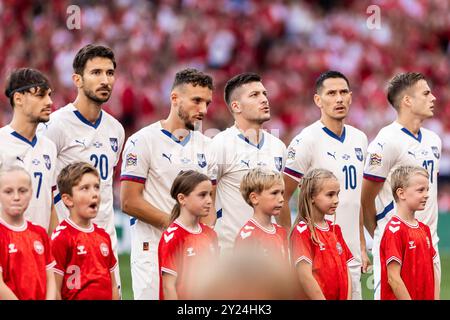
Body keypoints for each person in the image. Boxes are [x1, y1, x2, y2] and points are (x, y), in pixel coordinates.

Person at [120, 68, 216, 300]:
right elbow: (129, 201)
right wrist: (177, 228)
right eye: (196, 101)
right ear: (174, 98)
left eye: (207, 102)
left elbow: (210, 203)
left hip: (194, 249)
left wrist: (203, 237)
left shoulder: (208, 146)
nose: (203, 109)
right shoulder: (142, 141)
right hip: (152, 246)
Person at [40, 44, 125, 292]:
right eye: (96, 73)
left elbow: (106, 186)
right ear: (77, 79)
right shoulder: (56, 125)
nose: (105, 80)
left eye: (109, 73)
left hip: (105, 241)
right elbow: (44, 183)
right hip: (68, 242)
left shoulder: (116, 129)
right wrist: (56, 229)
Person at [280, 70, 368, 299]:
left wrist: (360, 242)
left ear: (350, 96)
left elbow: (354, 198)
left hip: (351, 253)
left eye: (343, 92)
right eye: (331, 93)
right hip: (319, 253)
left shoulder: (360, 138)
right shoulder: (305, 140)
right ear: (318, 100)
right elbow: (281, 197)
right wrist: (289, 244)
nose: (338, 99)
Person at [361, 72, 441, 299]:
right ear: (407, 100)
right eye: (426, 93)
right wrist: (379, 233)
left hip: (429, 241)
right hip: (397, 244)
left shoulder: (434, 140)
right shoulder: (386, 141)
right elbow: (366, 198)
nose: (433, 98)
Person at [209, 72, 286, 254]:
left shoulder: (278, 146)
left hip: (271, 255)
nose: (264, 99)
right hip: (232, 253)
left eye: (264, 94)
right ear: (236, 106)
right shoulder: (220, 144)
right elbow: (206, 201)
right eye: (254, 95)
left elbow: (281, 202)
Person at [0, 68, 58, 234]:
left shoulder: (49, 147)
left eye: (49, 95)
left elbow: (50, 205)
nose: (49, 102)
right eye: (40, 95)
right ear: (18, 98)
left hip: (39, 251)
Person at [51, 162, 119, 300]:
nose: (94, 194)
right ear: (68, 199)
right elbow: (54, 290)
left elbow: (113, 286)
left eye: (96, 187)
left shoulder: (103, 236)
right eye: (85, 188)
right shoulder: (61, 237)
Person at [290, 168, 353, 300]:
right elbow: (305, 276)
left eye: (337, 194)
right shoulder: (302, 231)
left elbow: (346, 270)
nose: (336, 200)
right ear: (312, 197)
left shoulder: (335, 229)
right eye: (330, 195)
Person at [379, 166, 439, 300]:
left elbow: (432, 271)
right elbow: (393, 278)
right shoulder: (394, 230)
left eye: (427, 190)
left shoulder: (424, 229)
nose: (427, 194)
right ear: (401, 193)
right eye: (420, 190)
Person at [158, 170, 218, 300]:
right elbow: (168, 287)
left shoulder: (210, 234)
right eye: (202, 195)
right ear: (182, 199)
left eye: (210, 194)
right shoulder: (173, 236)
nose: (209, 200)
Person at [0, 166, 56, 300]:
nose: (16, 197)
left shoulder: (39, 233)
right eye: (8, 192)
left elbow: (50, 279)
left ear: (31, 193)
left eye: (22, 191)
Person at [234, 167, 288, 262]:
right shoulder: (248, 236)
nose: (281, 199)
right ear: (254, 198)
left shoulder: (281, 232)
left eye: (282, 193)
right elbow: (242, 275)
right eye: (274, 193)